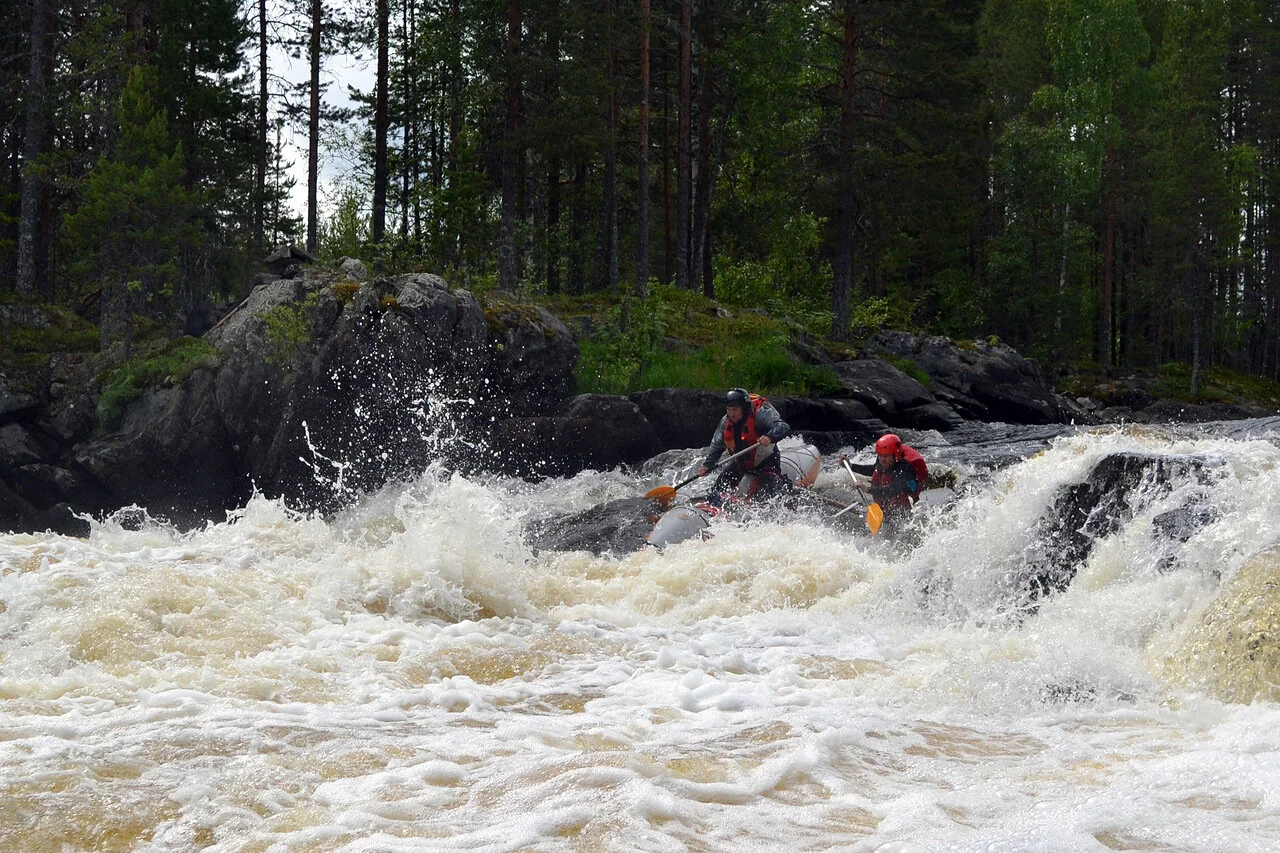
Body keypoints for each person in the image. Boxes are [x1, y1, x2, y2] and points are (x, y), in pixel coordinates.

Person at [697, 388, 792, 504]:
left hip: (767, 460)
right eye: (729, 409)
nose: (731, 414)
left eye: (735, 410)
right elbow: (717, 445)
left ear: (744, 408)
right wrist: (707, 465)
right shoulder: (725, 421)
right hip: (741, 461)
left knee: (766, 496)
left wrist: (770, 437)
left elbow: (783, 426)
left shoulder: (761, 414)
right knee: (717, 490)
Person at [844, 433, 928, 535]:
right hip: (887, 510)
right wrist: (851, 466)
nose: (882, 460)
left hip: (904, 513)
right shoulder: (882, 461)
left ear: (895, 455)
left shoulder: (905, 468)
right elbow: (873, 470)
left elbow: (893, 489)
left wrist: (868, 489)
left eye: (886, 456)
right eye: (880, 456)